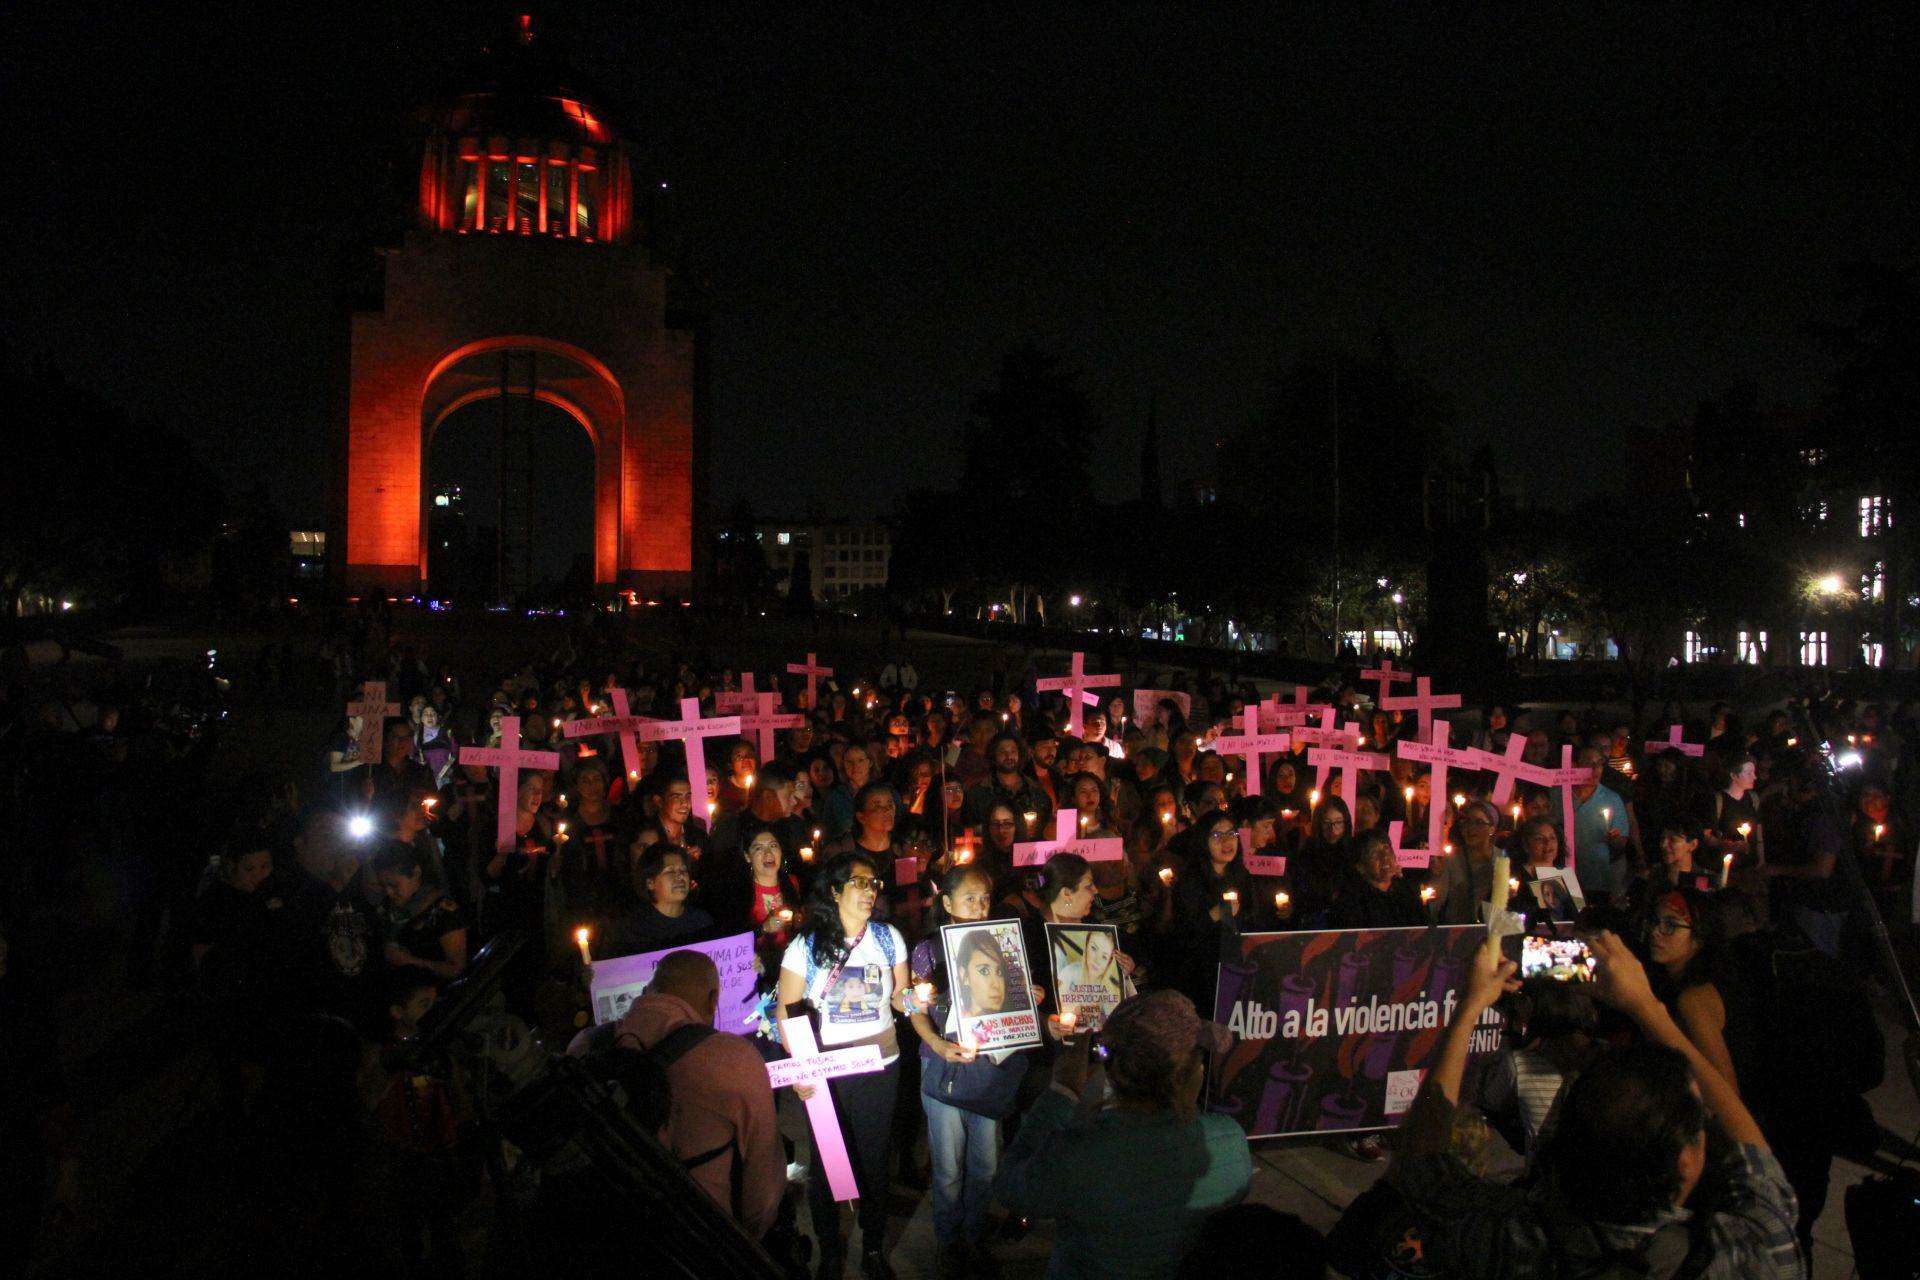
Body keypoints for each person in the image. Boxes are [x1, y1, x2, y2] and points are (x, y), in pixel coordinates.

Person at [1391, 932, 1802, 1279]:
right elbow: (1754, 1158)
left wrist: (1470, 1005)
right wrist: (1647, 1008)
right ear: (1687, 1162)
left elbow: (1422, 1163)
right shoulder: (1748, 1257)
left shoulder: (1509, 1239)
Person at [994, 990, 1253, 1279]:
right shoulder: (1230, 1141)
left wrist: (1062, 1092)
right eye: (1198, 1057)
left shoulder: (1076, 1154)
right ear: (1193, 1073)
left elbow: (1010, 1188)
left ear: (1112, 1073)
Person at [777, 852, 910, 1280]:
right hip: (827, 1070)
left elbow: (900, 998)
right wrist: (801, 1068)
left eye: (874, 884)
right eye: (858, 883)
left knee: (873, 1160)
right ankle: (830, 1253)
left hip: (880, 1065)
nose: (869, 891)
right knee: (828, 1163)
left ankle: (872, 1249)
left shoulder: (889, 938)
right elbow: (785, 1010)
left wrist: (918, 1000)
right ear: (834, 891)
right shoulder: (806, 946)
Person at [590, 950, 787, 1238]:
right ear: (712, 1000)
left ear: (647, 991)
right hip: (702, 1237)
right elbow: (763, 1179)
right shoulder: (734, 1059)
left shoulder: (588, 1046)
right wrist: (751, 1238)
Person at [909, 865, 1029, 1277]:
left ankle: (975, 1235)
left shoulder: (1003, 945)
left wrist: (1029, 998)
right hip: (944, 1070)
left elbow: (1014, 1000)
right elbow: (914, 1008)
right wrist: (937, 1043)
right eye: (969, 899)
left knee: (986, 1164)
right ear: (946, 903)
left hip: (989, 1070)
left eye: (984, 899)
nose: (979, 907)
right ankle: (948, 1240)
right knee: (946, 1168)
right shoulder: (928, 950)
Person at [372, 842, 468, 982]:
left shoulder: (444, 912)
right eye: (384, 886)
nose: (388, 892)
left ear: (416, 873)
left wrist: (411, 962)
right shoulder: (389, 908)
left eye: (394, 885)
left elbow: (457, 969)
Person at [604, 845, 714, 957]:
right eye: (670, 871)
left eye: (683, 870)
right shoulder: (632, 930)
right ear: (650, 883)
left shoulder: (701, 921)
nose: (680, 876)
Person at [1329, 829, 1427, 929]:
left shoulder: (1407, 891)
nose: (1384, 857)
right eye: (1374, 853)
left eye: (1387, 849)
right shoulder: (1351, 901)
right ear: (1360, 866)